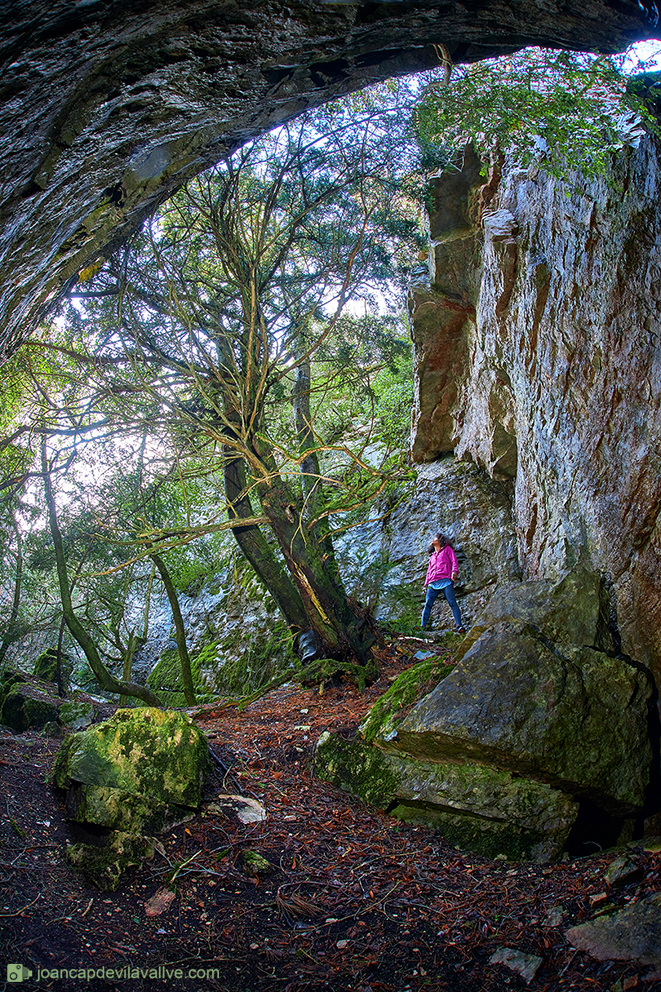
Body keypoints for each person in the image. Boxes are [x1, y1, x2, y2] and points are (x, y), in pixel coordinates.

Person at [421, 533, 466, 633]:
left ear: (440, 540)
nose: (432, 539)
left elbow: (454, 561)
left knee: (452, 603)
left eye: (435, 538)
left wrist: (454, 571)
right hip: (432, 583)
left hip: (446, 581)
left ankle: (459, 625)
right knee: (428, 604)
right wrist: (425, 585)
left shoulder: (447, 550)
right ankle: (422, 627)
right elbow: (429, 572)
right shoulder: (432, 557)